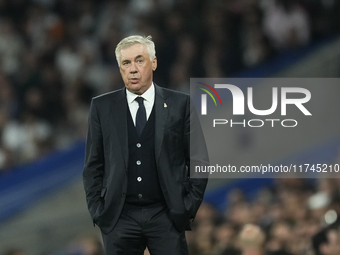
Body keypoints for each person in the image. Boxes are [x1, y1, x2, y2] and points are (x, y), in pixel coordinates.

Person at [82, 35, 209, 255]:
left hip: (166, 215)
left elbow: (199, 160)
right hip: (119, 219)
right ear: (120, 68)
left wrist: (186, 206)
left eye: (139, 60)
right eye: (126, 63)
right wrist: (98, 211)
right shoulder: (101, 107)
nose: (133, 69)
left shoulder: (181, 104)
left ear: (154, 62)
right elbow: (93, 164)